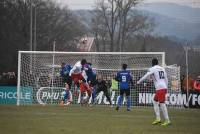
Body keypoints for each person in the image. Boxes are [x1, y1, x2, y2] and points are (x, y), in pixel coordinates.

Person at [137, 58, 171, 126]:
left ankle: (167, 120)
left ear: (152, 63)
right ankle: (158, 119)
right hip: (163, 87)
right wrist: (166, 87)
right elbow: (166, 78)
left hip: (160, 88)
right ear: (157, 63)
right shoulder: (162, 68)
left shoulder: (152, 68)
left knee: (162, 103)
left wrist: (139, 81)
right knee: (155, 100)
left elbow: (146, 76)